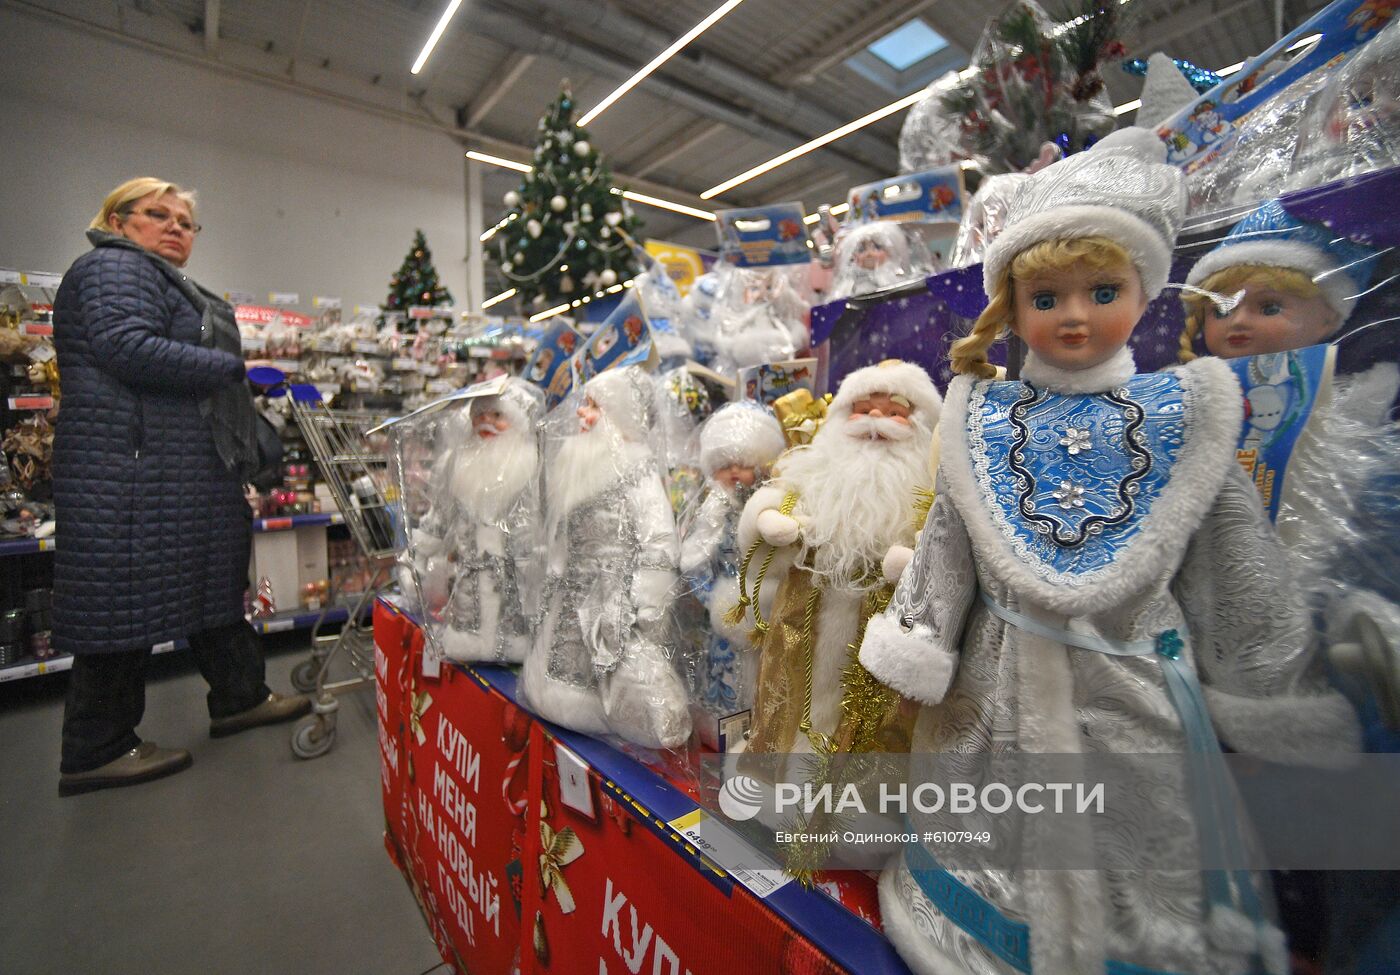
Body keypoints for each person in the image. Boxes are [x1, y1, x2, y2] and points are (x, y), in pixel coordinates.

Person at [857, 131, 1359, 975]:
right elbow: (948, 544)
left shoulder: (1184, 414)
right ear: (1012, 311)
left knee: (1138, 842)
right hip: (993, 691)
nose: (1076, 314)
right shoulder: (981, 419)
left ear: (1144, 290)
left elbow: (1232, 560)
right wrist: (920, 641)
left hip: (1127, 687)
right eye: (1045, 296)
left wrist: (1264, 685)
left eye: (1101, 289)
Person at [53, 177, 308, 797]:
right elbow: (127, 346)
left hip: (168, 470)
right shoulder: (115, 266)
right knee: (119, 603)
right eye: (157, 215)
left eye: (186, 222)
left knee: (211, 582)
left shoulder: (155, 278)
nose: (175, 228)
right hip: (130, 473)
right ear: (117, 221)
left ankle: (239, 697)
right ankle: (97, 748)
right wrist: (233, 368)